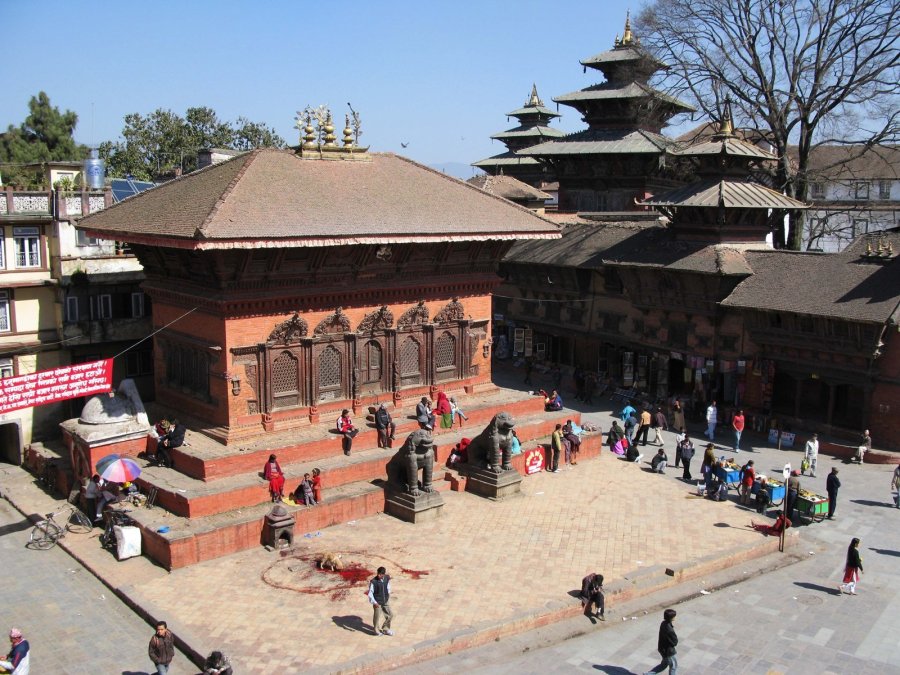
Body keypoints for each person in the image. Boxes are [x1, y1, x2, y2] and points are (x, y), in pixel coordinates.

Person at [643, 608, 678, 675]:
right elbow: (675, 642)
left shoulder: (663, 623)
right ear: (671, 618)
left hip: (662, 649)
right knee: (674, 666)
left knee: (663, 665)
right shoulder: (669, 630)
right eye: (674, 616)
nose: (675, 617)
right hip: (669, 652)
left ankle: (648, 674)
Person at [368, 566, 394, 636]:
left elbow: (388, 586)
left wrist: (388, 594)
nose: (379, 575)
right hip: (377, 602)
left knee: (390, 615)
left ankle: (385, 629)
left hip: (385, 600)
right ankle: (376, 630)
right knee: (377, 617)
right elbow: (370, 593)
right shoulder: (374, 582)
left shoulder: (386, 578)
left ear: (384, 574)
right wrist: (374, 602)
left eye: (380, 574)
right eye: (378, 574)